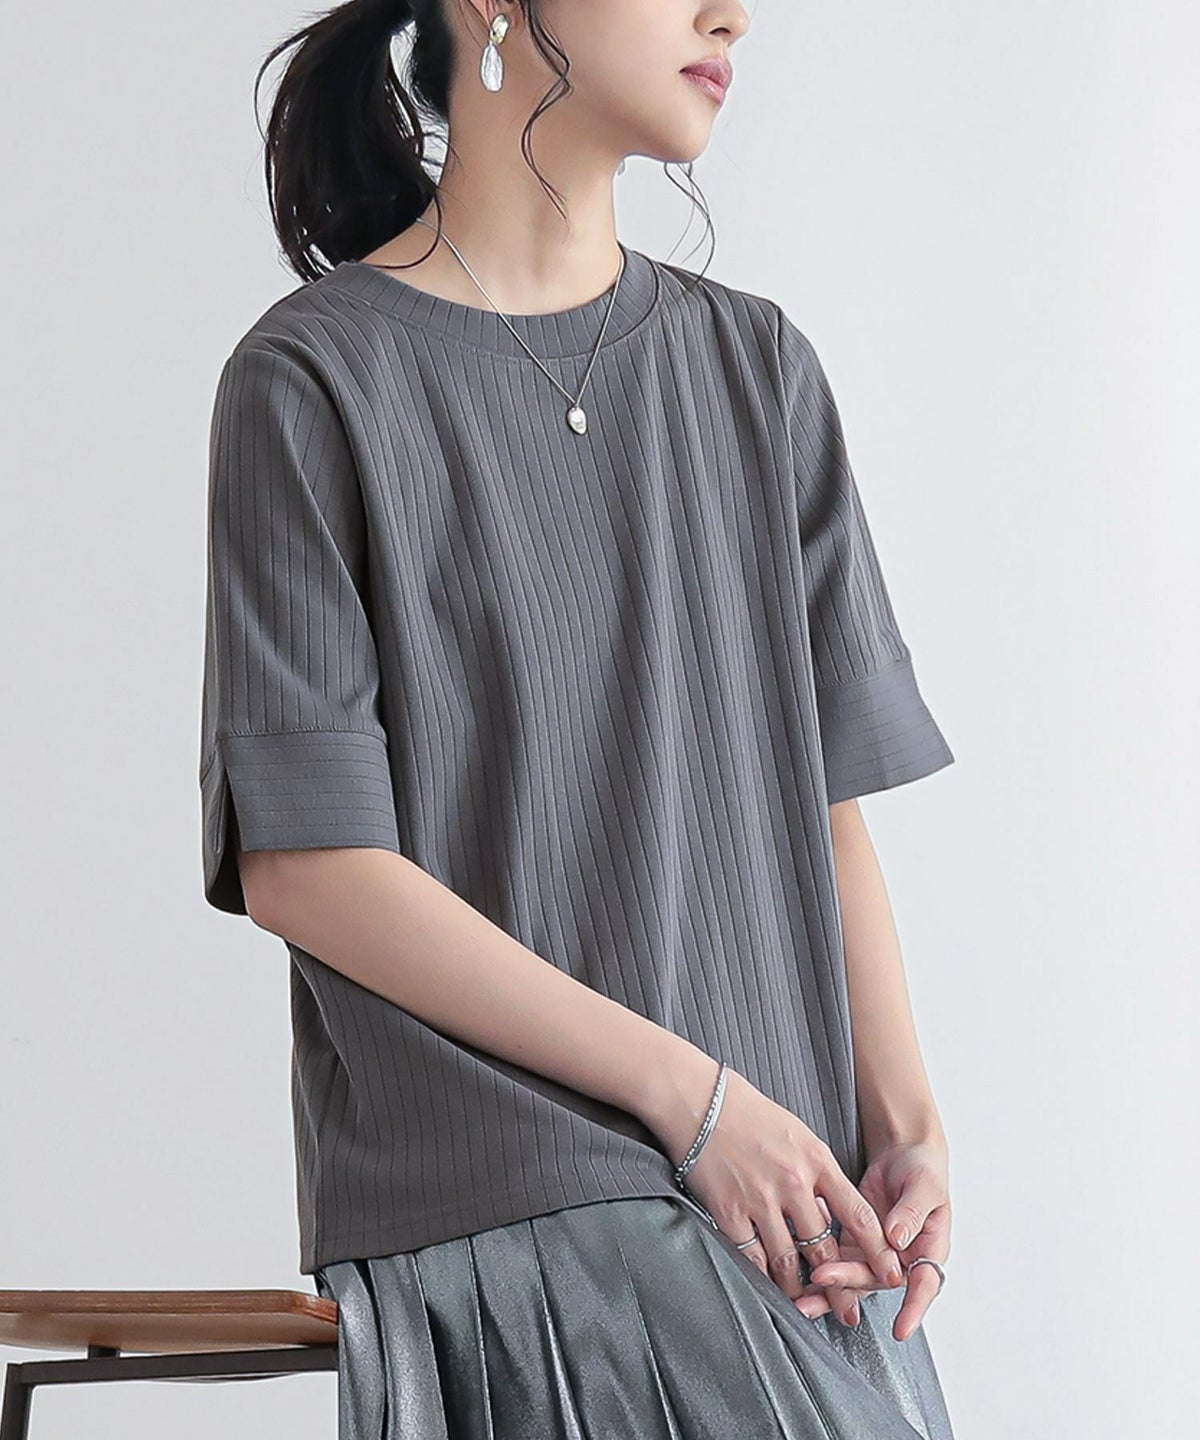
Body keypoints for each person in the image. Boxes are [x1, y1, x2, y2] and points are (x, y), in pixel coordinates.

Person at [198, 1, 959, 1435]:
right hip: (515, 1189)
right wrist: (694, 1103)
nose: (731, 13)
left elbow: (825, 807)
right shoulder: (316, 380)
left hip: (782, 1200)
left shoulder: (758, 371)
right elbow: (308, 866)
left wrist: (904, 1124)